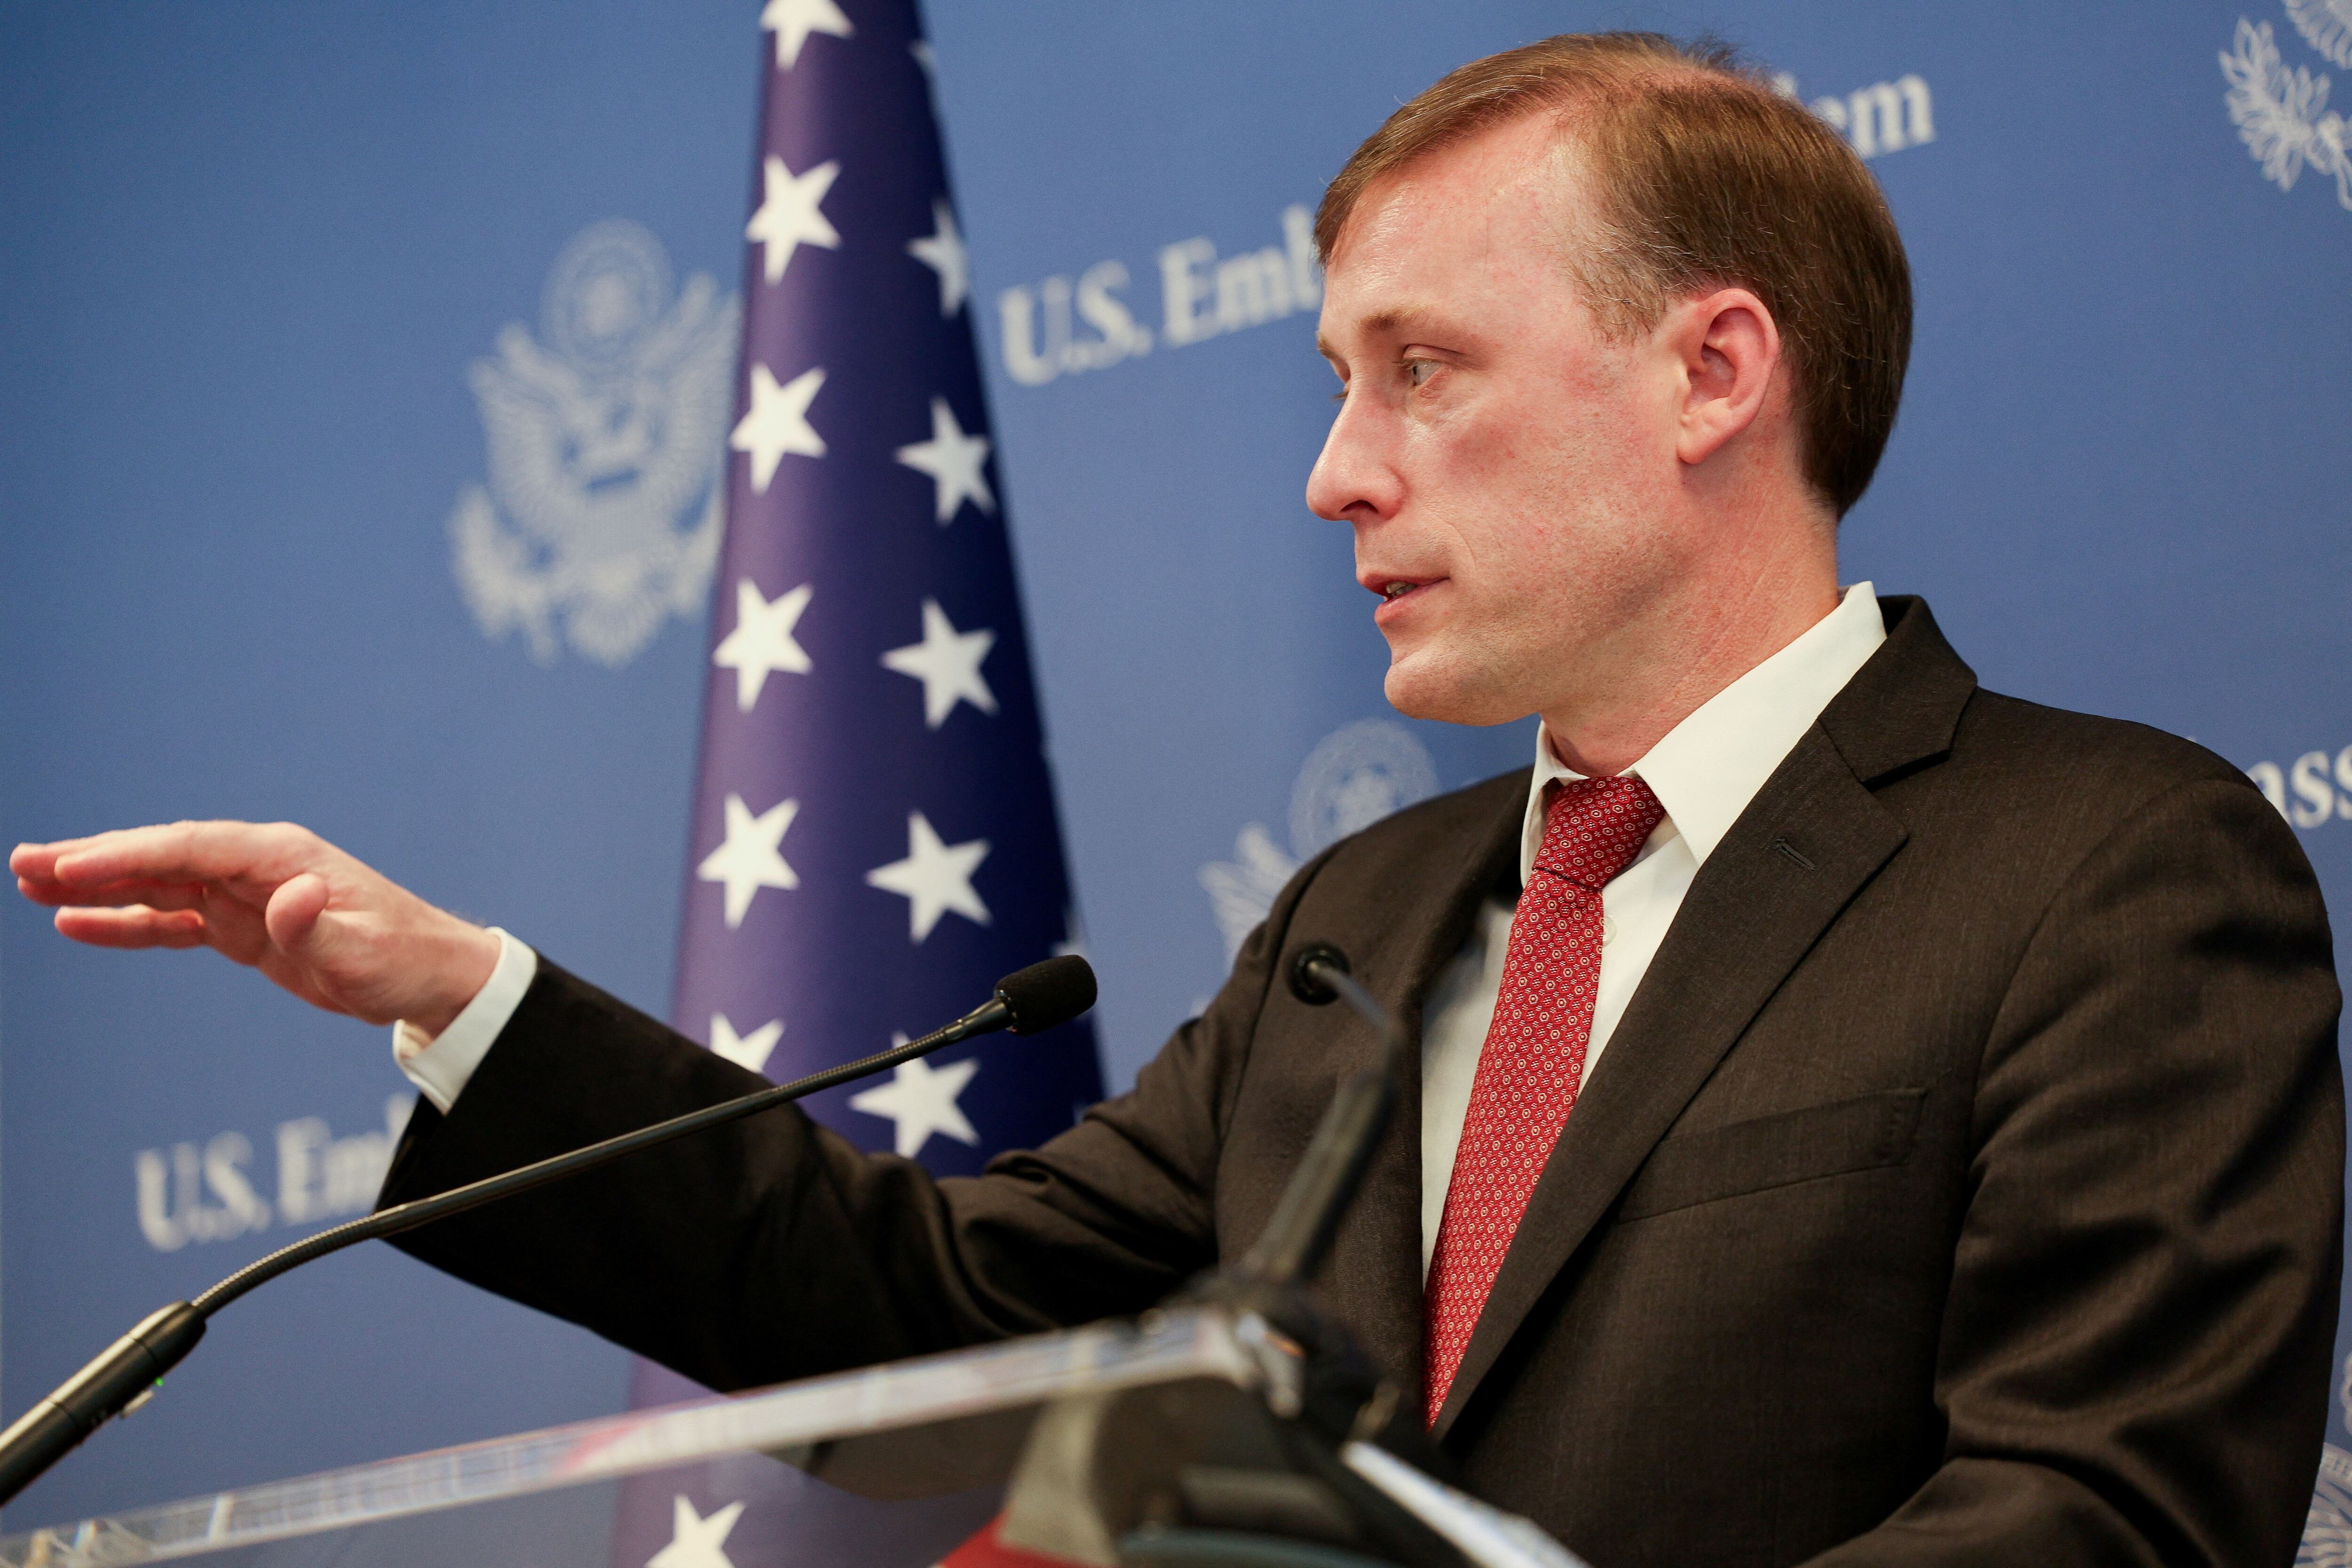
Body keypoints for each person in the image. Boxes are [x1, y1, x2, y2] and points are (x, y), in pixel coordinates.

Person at [13, 33, 2343, 1566]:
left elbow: (2098, 1516)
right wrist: (462, 1001)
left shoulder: (2105, 873)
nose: (1334, 474)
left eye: (1417, 372)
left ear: (1709, 370)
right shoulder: (1369, 917)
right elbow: (938, 1322)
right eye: (1338, 382)